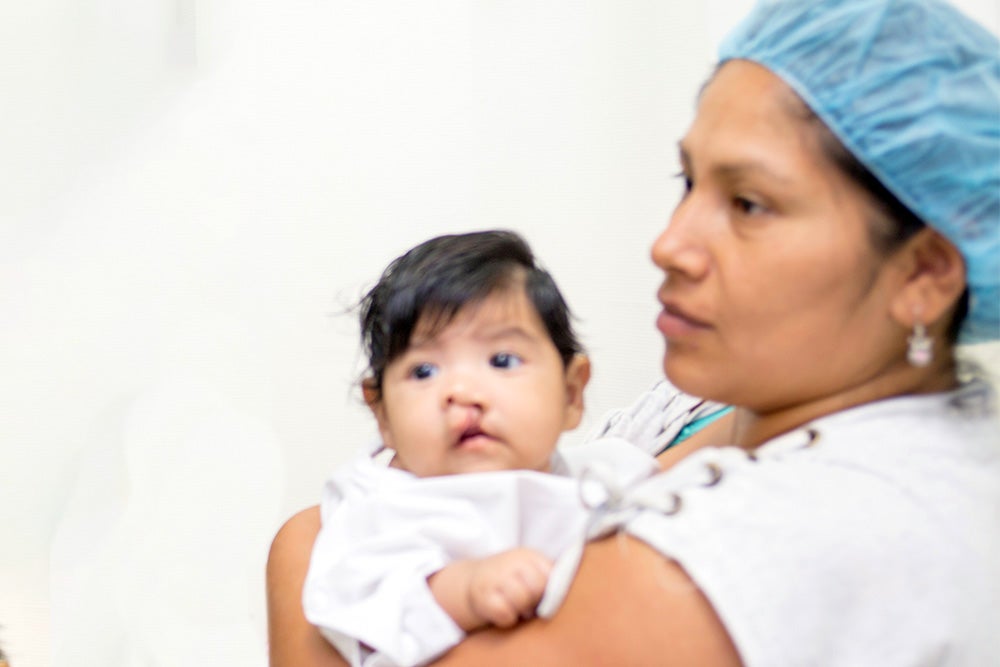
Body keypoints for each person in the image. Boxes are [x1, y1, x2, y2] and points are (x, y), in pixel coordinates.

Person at [267, 0, 1000, 664]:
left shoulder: (751, 555)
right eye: (689, 183)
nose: (671, 243)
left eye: (748, 203)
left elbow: (313, 566)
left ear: (925, 274)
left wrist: (304, 549)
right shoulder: (830, 418)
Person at [302, 230, 666, 667]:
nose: (462, 392)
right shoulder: (383, 507)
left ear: (571, 395)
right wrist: (461, 591)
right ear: (382, 416)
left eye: (502, 361)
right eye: (424, 371)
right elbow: (354, 607)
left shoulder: (611, 475)